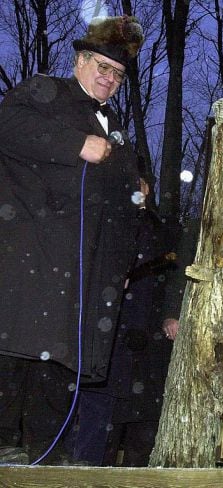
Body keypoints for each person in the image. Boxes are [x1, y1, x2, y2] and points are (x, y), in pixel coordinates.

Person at [0, 16, 145, 465]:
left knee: (61, 364)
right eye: (102, 66)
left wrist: (136, 197)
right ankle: (7, 444)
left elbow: (123, 209)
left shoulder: (115, 127)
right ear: (79, 60)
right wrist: (73, 143)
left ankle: (49, 457)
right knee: (17, 352)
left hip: (83, 275)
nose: (110, 79)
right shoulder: (44, 93)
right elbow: (6, 125)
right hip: (31, 261)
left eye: (118, 74)